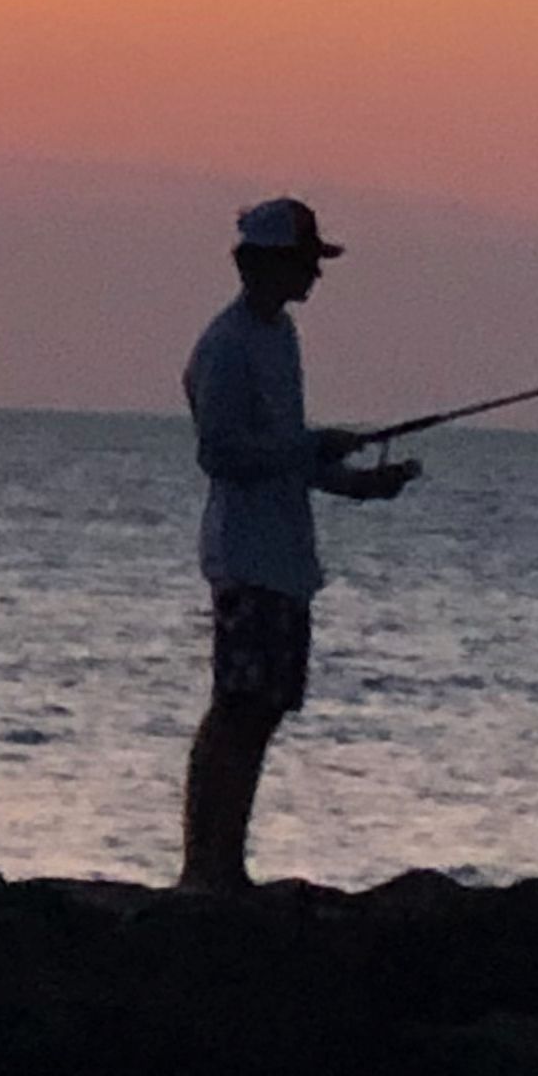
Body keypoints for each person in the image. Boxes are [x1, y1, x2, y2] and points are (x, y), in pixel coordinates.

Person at [179, 196, 417, 891]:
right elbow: (220, 454)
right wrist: (310, 446)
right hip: (244, 556)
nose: (316, 273)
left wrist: (356, 484)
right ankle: (204, 865)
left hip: (285, 559)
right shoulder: (225, 345)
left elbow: (285, 455)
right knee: (236, 708)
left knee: (265, 710)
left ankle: (227, 862)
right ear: (266, 262)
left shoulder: (280, 337)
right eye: (306, 260)